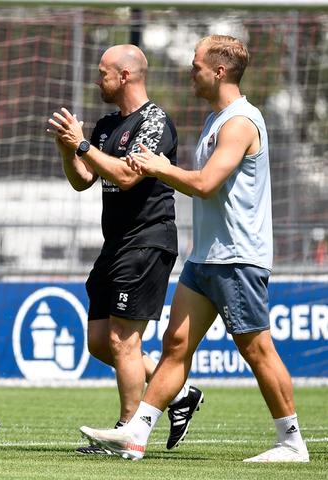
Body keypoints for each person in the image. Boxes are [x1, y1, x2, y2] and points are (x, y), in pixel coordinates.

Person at [81, 35, 310, 463]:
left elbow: (205, 184)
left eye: (197, 65)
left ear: (219, 71)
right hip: (205, 257)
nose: (191, 71)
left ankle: (291, 441)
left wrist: (161, 169)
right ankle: (137, 433)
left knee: (257, 349)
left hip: (237, 256)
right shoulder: (214, 119)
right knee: (175, 345)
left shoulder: (240, 122)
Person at [47, 44, 203, 455]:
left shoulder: (155, 121)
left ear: (126, 76)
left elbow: (126, 174)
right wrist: (69, 148)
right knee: (100, 343)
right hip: (114, 243)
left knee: (123, 341)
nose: (98, 80)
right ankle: (180, 392)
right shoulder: (105, 124)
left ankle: (128, 434)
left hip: (148, 239)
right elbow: (83, 179)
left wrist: (82, 146)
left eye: (103, 73)